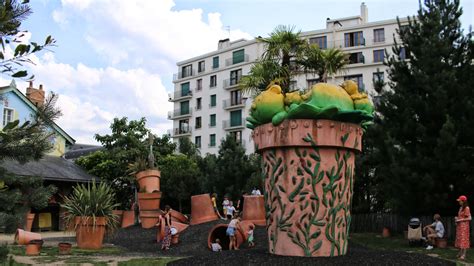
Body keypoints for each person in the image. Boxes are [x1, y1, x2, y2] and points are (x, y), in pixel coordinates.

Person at [455, 195, 471, 261]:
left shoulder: (467, 208)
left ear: (463, 201)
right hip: (459, 226)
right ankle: (460, 252)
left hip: (464, 227)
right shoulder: (460, 208)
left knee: (464, 239)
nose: (459, 202)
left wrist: (459, 220)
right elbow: (461, 217)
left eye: (460, 201)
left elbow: (469, 218)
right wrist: (456, 218)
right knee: (460, 239)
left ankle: (464, 254)